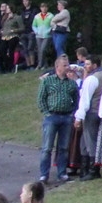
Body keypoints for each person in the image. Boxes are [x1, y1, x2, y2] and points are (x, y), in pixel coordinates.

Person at [36, 54, 79, 183]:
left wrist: (72, 113)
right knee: (47, 147)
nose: (67, 68)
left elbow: (76, 99)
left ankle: (62, 173)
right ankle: (44, 174)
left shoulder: (71, 83)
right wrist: (47, 113)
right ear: (57, 66)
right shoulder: (48, 81)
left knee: (64, 147)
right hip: (52, 116)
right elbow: (41, 98)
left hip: (66, 117)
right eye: (65, 65)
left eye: (68, 65)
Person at [30, 2, 54, 69]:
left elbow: (53, 24)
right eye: (43, 7)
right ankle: (45, 64)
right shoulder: (37, 16)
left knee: (43, 49)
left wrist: (50, 30)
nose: (44, 8)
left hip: (47, 35)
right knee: (40, 50)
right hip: (38, 35)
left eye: (45, 7)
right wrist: (36, 31)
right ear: (40, 8)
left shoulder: (51, 16)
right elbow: (34, 25)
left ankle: (40, 65)